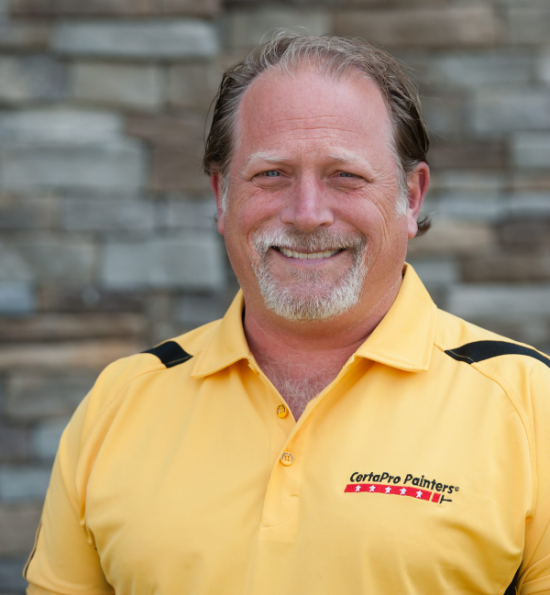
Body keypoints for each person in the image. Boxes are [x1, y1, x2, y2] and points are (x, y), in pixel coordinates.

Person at [25, 34, 550, 595]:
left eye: (345, 175)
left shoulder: (529, 403)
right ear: (221, 195)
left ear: (412, 196)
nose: (306, 214)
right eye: (272, 174)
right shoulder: (119, 402)